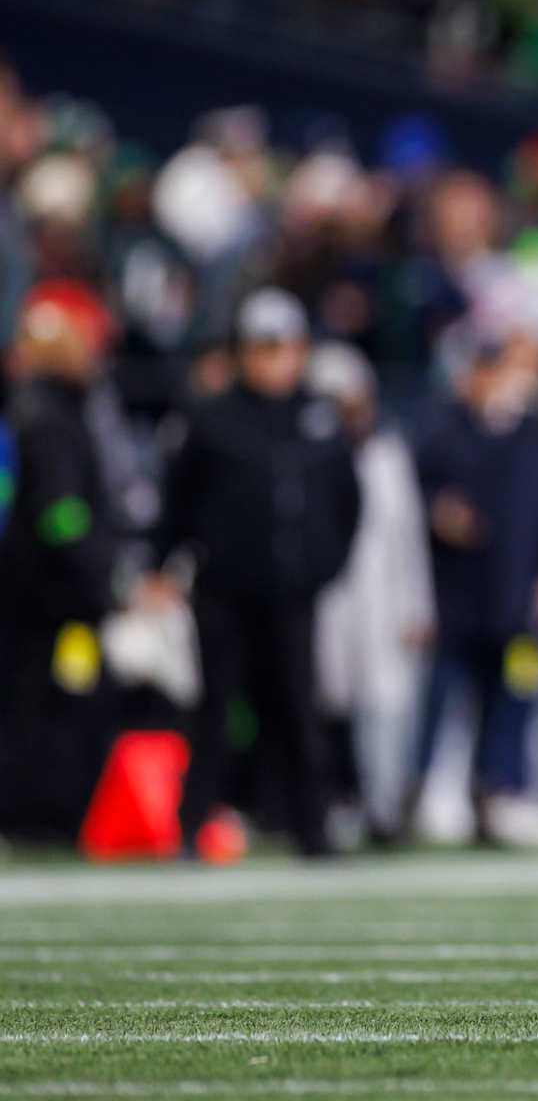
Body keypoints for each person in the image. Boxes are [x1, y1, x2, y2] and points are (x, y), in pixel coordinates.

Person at [145, 288, 362, 857]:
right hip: (225, 590)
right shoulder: (212, 417)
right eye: (264, 349)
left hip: (293, 591)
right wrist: (160, 564)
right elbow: (178, 499)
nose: (275, 361)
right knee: (215, 708)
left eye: (284, 348)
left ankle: (310, 829)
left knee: (297, 709)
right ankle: (192, 827)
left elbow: (346, 504)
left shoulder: (319, 419)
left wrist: (324, 567)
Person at [410, 323, 538, 842]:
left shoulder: (532, 438)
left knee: (511, 700)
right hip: (454, 599)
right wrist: (437, 511)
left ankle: (494, 794)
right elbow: (413, 497)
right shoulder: (441, 432)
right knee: (439, 699)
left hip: (514, 602)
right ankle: (414, 791)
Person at [0, 282, 121, 839]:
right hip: (53, 597)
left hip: (32, 589)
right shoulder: (49, 418)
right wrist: (95, 570)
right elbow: (60, 512)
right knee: (56, 701)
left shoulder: (30, 410)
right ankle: (41, 814)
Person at [308, 342, 435, 844]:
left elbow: (408, 538)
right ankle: (335, 803)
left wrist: (419, 605)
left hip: (383, 600)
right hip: (328, 598)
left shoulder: (387, 457)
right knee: (329, 702)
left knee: (387, 705)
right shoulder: (310, 455)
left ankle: (384, 807)